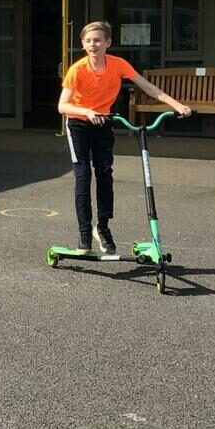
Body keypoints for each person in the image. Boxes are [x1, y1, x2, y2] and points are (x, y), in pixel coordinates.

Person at [57, 21, 191, 255]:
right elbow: (62, 106)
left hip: (103, 122)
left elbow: (148, 87)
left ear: (108, 42)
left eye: (97, 40)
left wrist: (177, 105)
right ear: (83, 44)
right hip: (78, 123)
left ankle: (103, 227)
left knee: (105, 174)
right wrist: (87, 112)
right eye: (88, 41)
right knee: (83, 176)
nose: (93, 45)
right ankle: (84, 233)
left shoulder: (118, 64)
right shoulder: (77, 70)